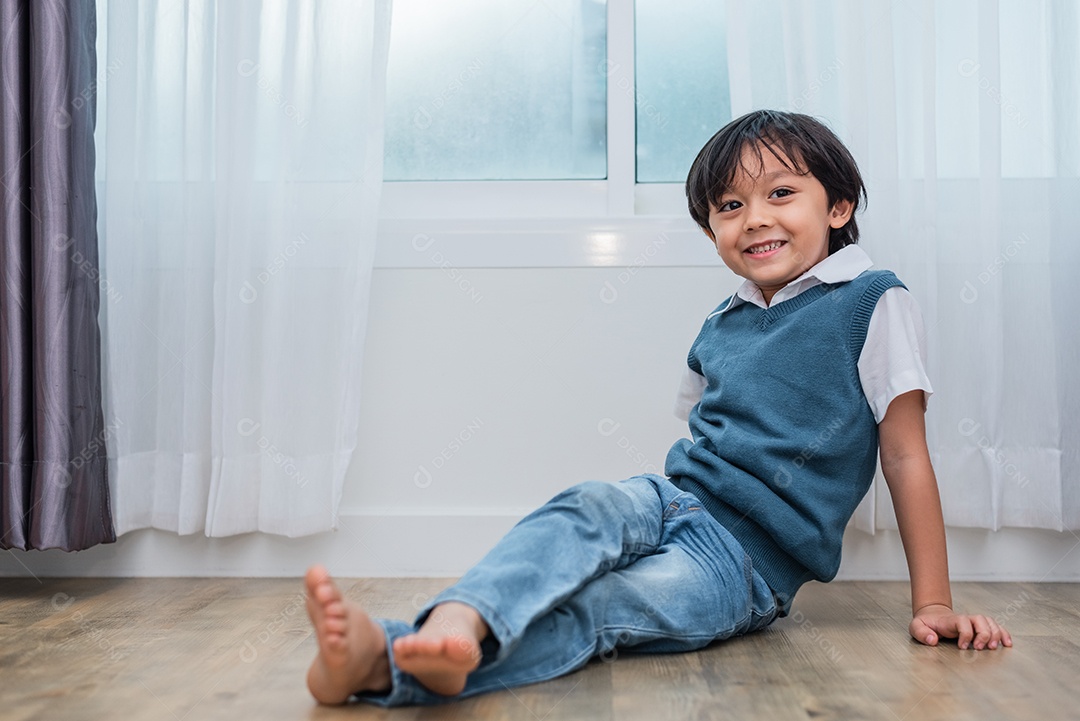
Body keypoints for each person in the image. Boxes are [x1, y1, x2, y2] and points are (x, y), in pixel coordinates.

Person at [303, 109, 1012, 707]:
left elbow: (904, 452)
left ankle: (383, 660)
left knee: (608, 606)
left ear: (838, 207)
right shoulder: (722, 319)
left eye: (780, 194)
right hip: (672, 499)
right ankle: (461, 612)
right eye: (730, 206)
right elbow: (706, 434)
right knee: (586, 506)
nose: (753, 218)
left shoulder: (870, 299)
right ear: (712, 232)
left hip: (749, 566)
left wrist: (934, 604)